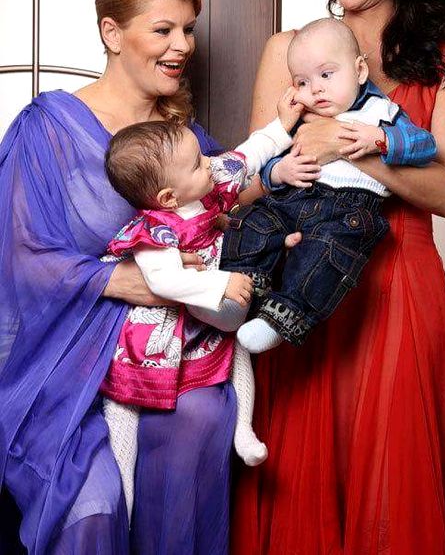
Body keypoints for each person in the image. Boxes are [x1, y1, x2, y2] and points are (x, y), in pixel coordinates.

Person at [232, 0, 445, 555]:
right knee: (302, 474)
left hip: (398, 288)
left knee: (394, 483)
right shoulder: (289, 51)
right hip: (303, 280)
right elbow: (247, 188)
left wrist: (350, 148)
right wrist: (288, 163)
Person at [0, 0, 237, 554]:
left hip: (162, 352)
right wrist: (120, 280)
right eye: (163, 29)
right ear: (112, 32)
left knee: (201, 418)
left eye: (188, 29)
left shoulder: (186, 142)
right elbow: (20, 258)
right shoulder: (48, 127)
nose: (183, 45)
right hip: (66, 362)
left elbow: (226, 212)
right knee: (93, 503)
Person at [99, 90, 301, 512]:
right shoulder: (154, 233)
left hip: (205, 315)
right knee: (124, 406)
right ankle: (124, 494)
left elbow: (246, 157)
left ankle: (243, 430)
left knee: (238, 346)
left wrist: (282, 125)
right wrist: (220, 284)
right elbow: (166, 280)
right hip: (157, 327)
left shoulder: (205, 186)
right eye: (197, 163)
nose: (209, 162)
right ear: (168, 198)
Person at [222, 18, 436, 352]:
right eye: (303, 82)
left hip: (346, 212)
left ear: (360, 71)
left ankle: (284, 315)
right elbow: (266, 168)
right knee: (252, 220)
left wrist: (381, 139)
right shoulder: (300, 118)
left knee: (325, 253)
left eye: (326, 75)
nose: (316, 89)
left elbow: (425, 145)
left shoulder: (382, 112)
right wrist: (280, 171)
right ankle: (239, 289)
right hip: (292, 201)